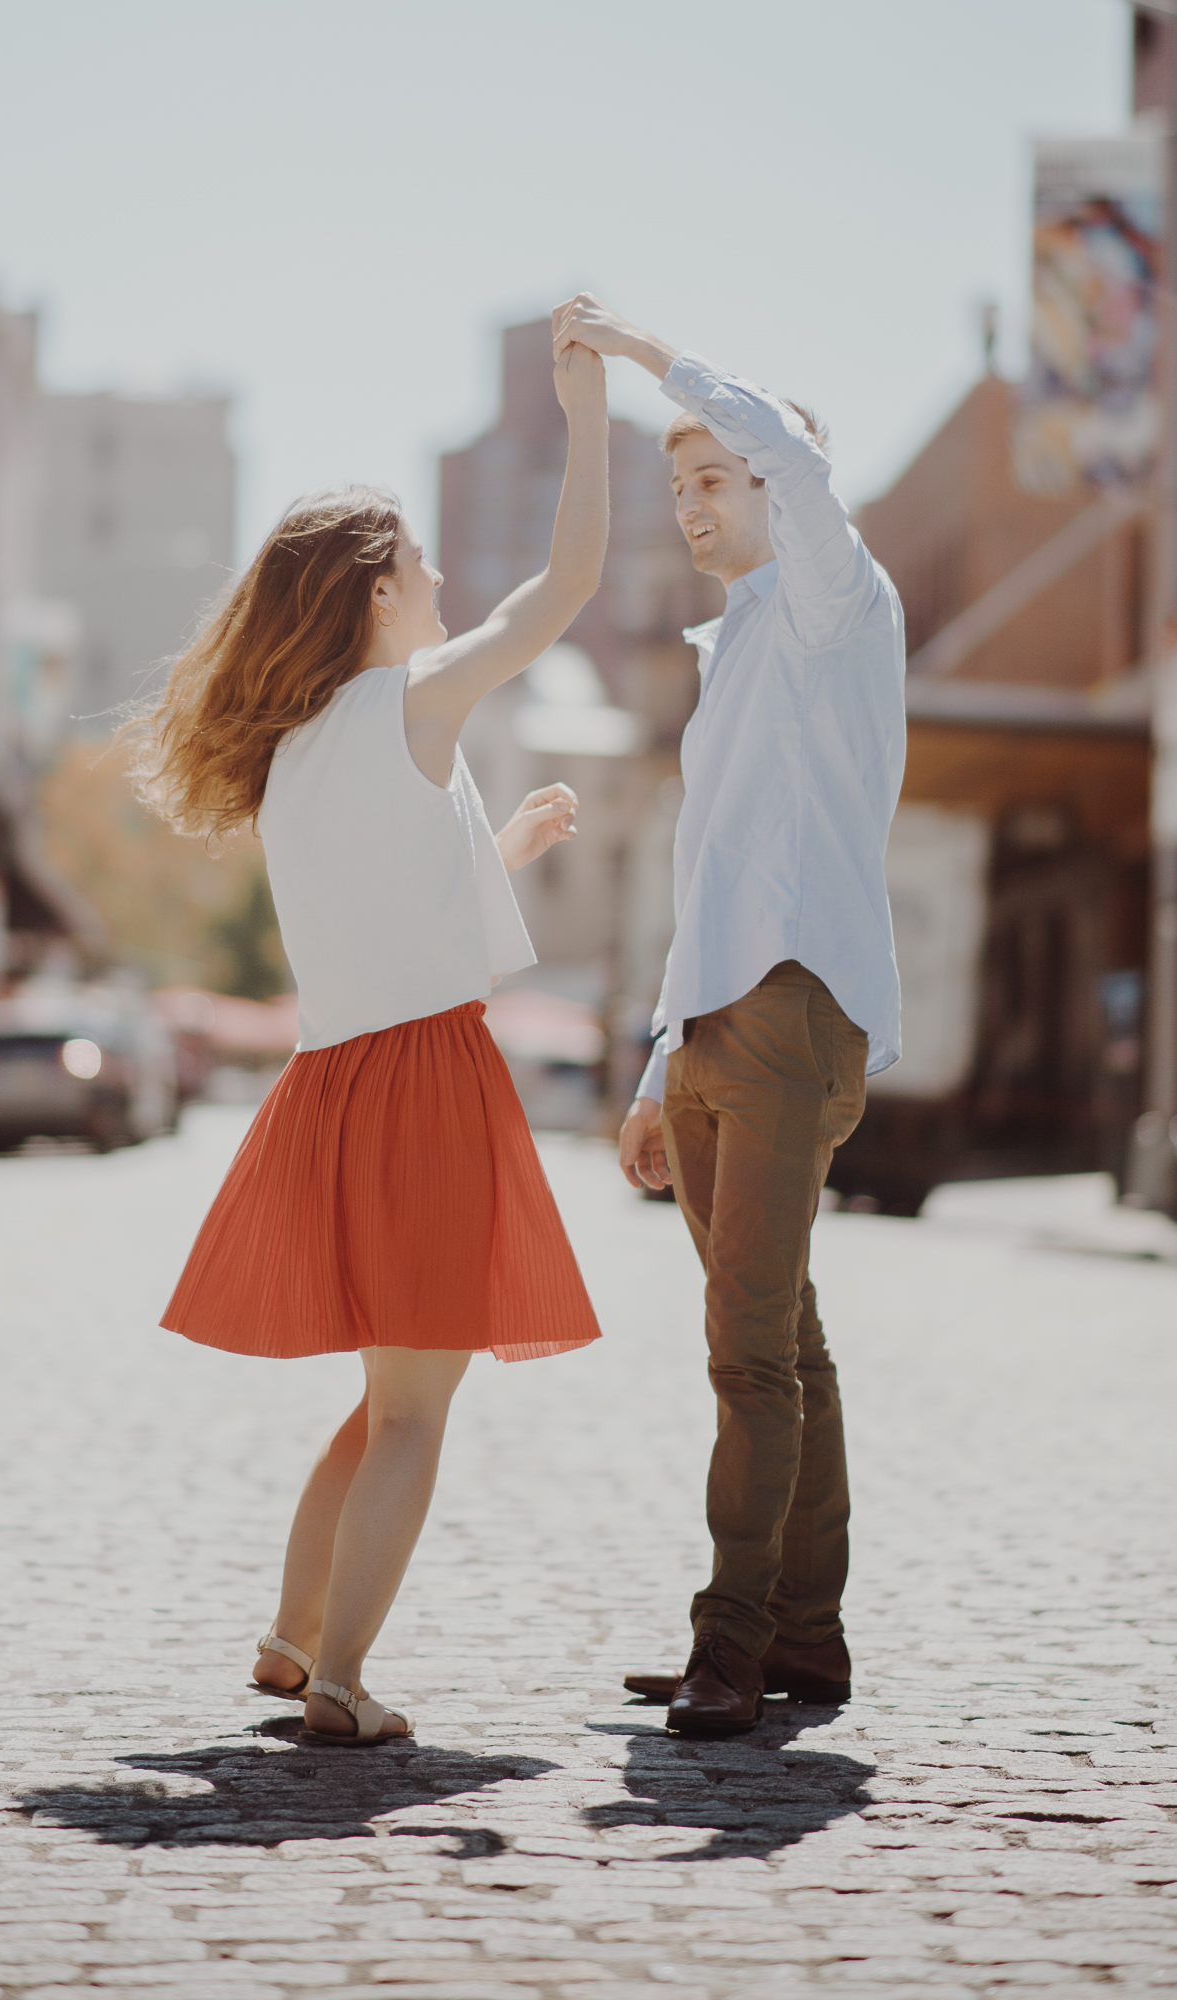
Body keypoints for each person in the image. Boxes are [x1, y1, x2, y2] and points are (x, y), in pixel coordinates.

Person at [129, 318, 609, 1745]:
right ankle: (342, 1685)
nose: (444, 579)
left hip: (338, 1083)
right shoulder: (414, 700)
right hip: (424, 1083)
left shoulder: (294, 752)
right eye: (421, 562)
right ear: (375, 591)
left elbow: (380, 914)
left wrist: (495, 852)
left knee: (384, 1394)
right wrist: (586, 425)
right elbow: (567, 583)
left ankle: (291, 1640)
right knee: (413, 1408)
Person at [551, 295, 905, 1738]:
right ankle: (804, 1641)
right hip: (709, 1029)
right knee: (786, 1341)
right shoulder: (731, 650)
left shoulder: (835, 602)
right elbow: (706, 882)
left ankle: (727, 1643)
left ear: (775, 486)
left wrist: (645, 359)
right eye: (677, 484)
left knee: (745, 1352)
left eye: (711, 478)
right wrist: (652, 1064)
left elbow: (793, 462)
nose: (689, 504)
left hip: (792, 1018)